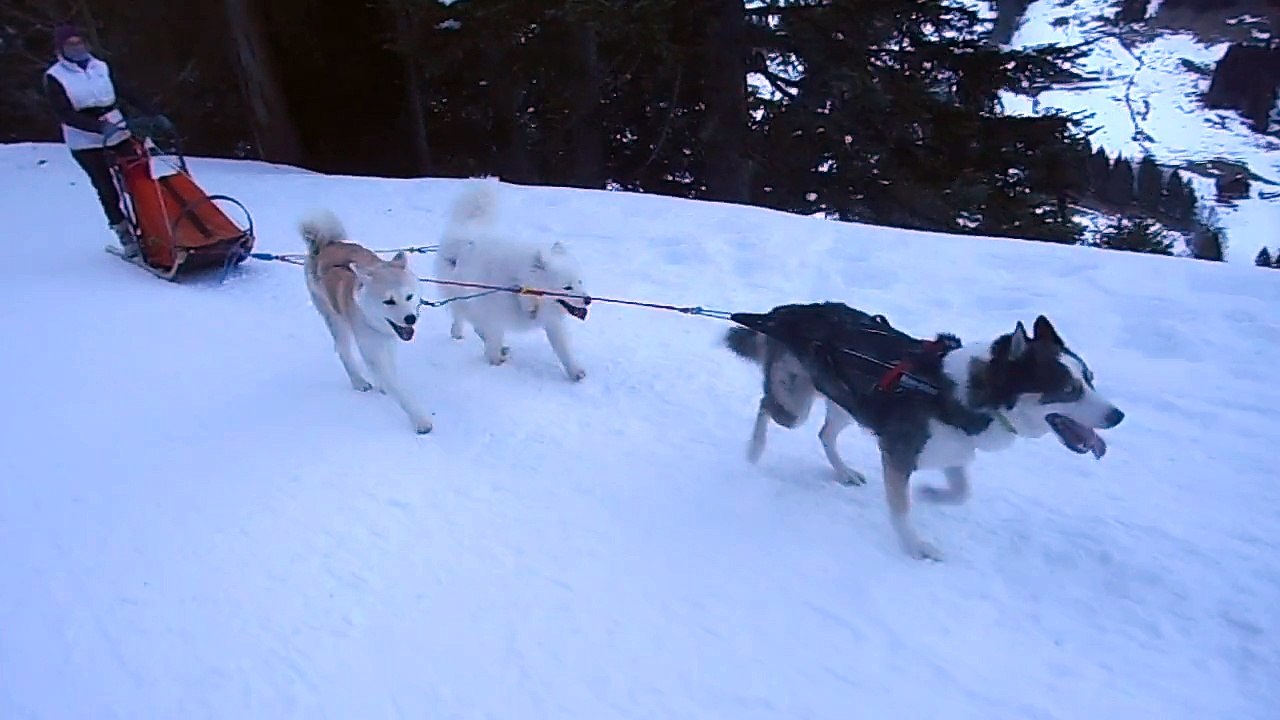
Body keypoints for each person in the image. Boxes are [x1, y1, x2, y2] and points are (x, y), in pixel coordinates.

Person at [43, 24, 172, 258]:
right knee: (106, 186)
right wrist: (98, 128)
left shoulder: (100, 67)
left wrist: (153, 113)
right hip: (84, 138)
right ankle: (124, 233)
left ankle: (154, 225)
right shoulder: (55, 77)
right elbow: (64, 113)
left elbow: (126, 92)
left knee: (139, 177)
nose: (76, 47)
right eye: (70, 44)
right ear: (60, 49)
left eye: (79, 42)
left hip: (118, 130)